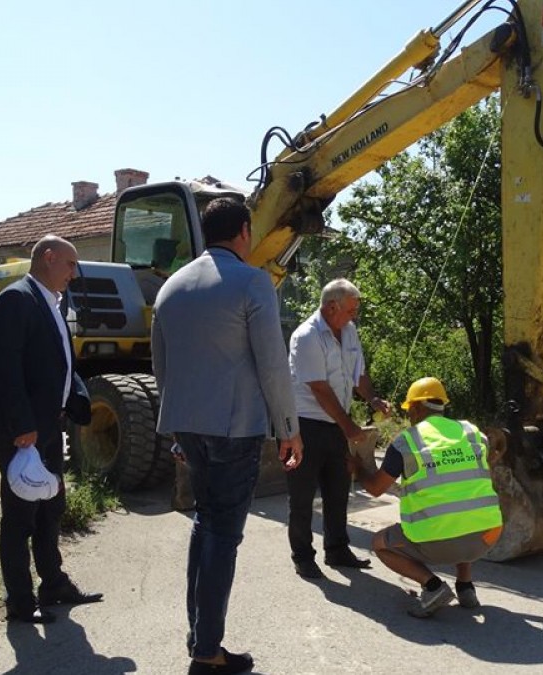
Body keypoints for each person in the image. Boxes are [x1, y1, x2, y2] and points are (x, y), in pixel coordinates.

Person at [152, 197, 303, 675]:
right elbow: (273, 364)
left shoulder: (172, 287)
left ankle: (200, 636)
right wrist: (288, 429)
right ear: (243, 231)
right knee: (222, 533)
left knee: (205, 525)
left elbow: (161, 365)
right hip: (235, 429)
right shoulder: (252, 281)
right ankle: (207, 650)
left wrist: (175, 425)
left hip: (188, 427)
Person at [0, 235, 102, 625]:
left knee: (51, 507)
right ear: (49, 258)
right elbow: (5, 369)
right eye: (70, 264)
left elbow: (61, 363)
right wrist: (23, 425)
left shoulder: (50, 302)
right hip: (24, 432)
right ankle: (19, 599)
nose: (73, 273)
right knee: (19, 516)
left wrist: (74, 401)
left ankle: (53, 584)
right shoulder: (15, 299)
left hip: (48, 424)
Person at [351, 376, 503, 618]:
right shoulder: (472, 433)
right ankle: (465, 587)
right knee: (462, 509)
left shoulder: (407, 442)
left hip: (437, 542)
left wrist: (357, 467)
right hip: (487, 537)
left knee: (380, 543)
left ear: (418, 407)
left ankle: (432, 587)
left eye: (410, 410)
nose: (410, 416)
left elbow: (376, 489)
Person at [286, 278, 391, 578]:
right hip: (305, 424)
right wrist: (349, 427)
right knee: (302, 495)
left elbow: (358, 372)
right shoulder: (306, 336)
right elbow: (319, 388)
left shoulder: (349, 331)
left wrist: (372, 399)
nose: (353, 316)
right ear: (331, 307)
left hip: (335, 422)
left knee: (338, 489)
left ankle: (337, 549)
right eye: (350, 310)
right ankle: (303, 556)